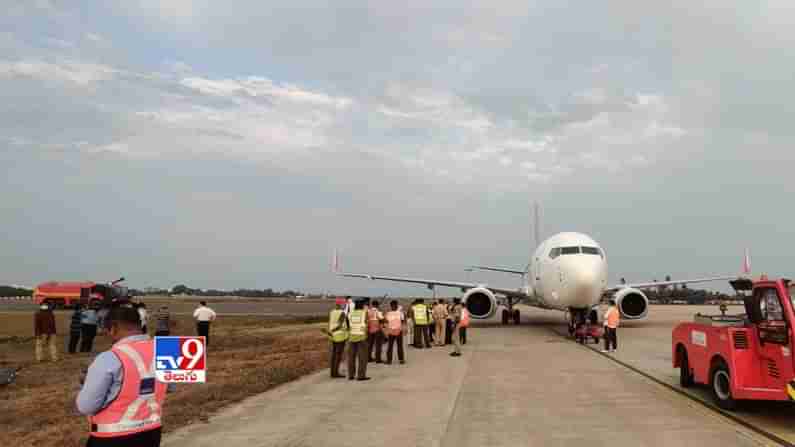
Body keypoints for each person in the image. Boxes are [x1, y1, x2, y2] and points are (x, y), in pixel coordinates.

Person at [76, 306, 169, 446]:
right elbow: (169, 386)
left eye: (106, 329)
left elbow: (86, 406)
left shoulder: (108, 358)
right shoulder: (166, 349)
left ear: (113, 328)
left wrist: (86, 384)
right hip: (152, 432)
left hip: (111, 437)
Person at [346, 299, 370, 381]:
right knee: (362, 357)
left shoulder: (350, 314)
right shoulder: (364, 313)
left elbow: (348, 325)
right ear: (362, 305)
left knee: (351, 358)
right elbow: (367, 323)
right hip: (362, 337)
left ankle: (351, 375)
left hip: (352, 337)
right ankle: (361, 375)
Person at [327, 298, 349, 378]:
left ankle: (332, 373)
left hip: (333, 336)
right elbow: (340, 325)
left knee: (333, 354)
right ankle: (335, 373)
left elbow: (330, 323)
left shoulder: (332, 312)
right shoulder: (342, 313)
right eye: (343, 304)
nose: (344, 305)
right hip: (340, 335)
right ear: (340, 304)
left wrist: (330, 332)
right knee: (338, 355)